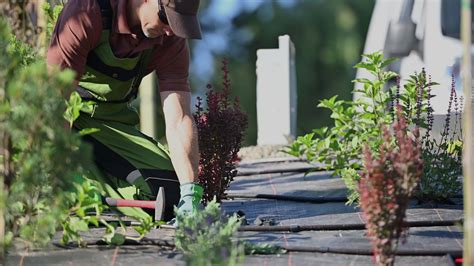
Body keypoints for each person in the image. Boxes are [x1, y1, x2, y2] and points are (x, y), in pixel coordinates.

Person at [46, 0, 204, 222]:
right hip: (69, 120)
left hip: (111, 127)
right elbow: (55, 103)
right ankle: (74, 192)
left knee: (170, 195)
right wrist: (59, 172)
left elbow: (179, 118)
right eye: (167, 19)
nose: (170, 30)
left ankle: (92, 191)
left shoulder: (171, 39)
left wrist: (190, 191)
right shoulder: (87, 12)